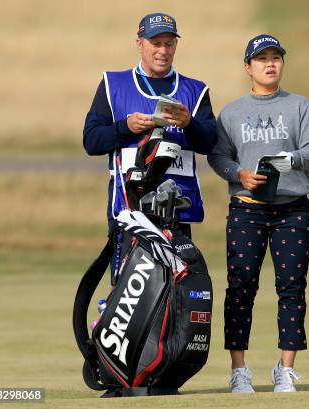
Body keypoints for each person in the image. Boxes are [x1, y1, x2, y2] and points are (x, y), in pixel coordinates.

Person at [207, 34, 309, 393]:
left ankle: (285, 370)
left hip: (292, 209)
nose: (270, 64)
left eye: (275, 58)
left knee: (291, 288)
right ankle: (239, 370)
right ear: (248, 67)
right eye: (262, 59)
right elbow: (218, 156)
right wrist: (238, 174)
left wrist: (292, 160)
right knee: (241, 287)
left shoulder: (299, 106)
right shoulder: (232, 112)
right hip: (246, 209)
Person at [83, 12, 217, 280]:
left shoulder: (195, 90)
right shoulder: (113, 84)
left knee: (176, 293)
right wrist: (126, 127)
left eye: (169, 43)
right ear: (140, 44)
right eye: (156, 43)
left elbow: (209, 143)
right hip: (128, 209)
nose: (162, 51)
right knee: (129, 297)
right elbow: (92, 140)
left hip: (176, 211)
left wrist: (189, 122)